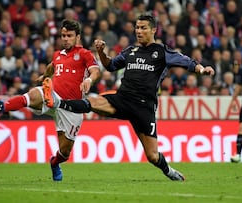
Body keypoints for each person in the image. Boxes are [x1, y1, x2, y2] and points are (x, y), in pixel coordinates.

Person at [45, 15, 215, 181]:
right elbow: (110, 66)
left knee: (153, 156)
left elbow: (186, 62)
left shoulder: (162, 51)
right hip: (122, 99)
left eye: (143, 28)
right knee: (92, 102)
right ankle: (58, 102)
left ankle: (169, 171)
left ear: (153, 30)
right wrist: (101, 52)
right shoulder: (130, 51)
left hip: (144, 107)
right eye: (137, 28)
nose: (139, 31)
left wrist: (201, 70)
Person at [0, 19, 101, 181]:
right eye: (63, 35)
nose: (65, 39)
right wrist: (46, 75)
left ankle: (55, 163)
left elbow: (95, 72)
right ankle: (3, 107)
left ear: (77, 37)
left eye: (69, 36)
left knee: (65, 152)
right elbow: (52, 66)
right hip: (53, 96)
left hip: (71, 107)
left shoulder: (85, 54)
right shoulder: (58, 55)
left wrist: (89, 80)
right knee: (34, 95)